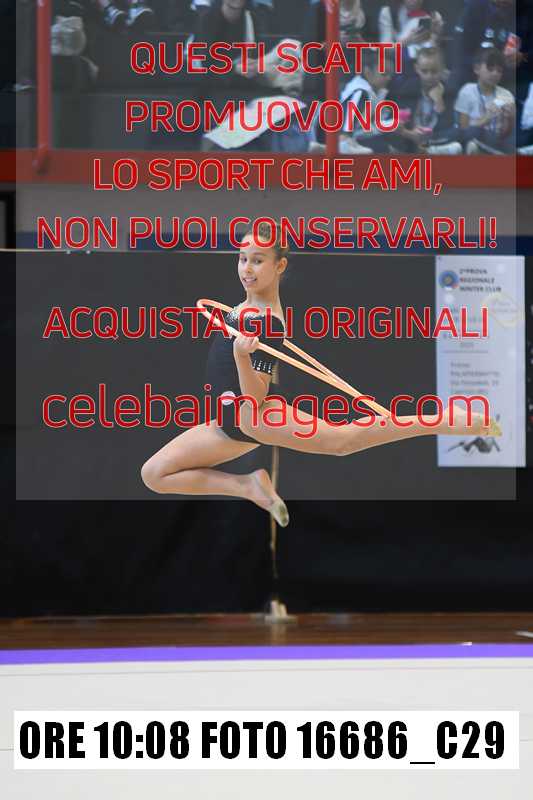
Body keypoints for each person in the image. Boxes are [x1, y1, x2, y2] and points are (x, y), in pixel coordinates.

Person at [141, 223, 501, 524]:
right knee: (155, 474)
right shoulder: (245, 307)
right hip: (226, 420)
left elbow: (255, 396)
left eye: (258, 260)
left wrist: (240, 355)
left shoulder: (267, 322)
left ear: (279, 266)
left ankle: (444, 419)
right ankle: (248, 486)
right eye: (243, 258)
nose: (247, 268)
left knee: (342, 441)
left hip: (253, 416)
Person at [394, 46, 463, 154]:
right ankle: (434, 151)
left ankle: (431, 150)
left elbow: (447, 125)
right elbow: (399, 121)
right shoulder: (407, 88)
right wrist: (410, 133)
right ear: (416, 68)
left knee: (456, 132)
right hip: (412, 138)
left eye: (434, 71)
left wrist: (439, 101)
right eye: (424, 71)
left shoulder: (449, 91)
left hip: (435, 137)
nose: (429, 76)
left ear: (442, 69)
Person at [455, 46, 516, 154]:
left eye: (499, 71)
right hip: (471, 138)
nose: (495, 74)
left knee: (508, 143)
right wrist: (486, 119)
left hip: (495, 142)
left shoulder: (506, 95)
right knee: (471, 134)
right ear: (476, 69)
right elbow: (463, 128)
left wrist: (509, 119)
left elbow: (505, 135)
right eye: (490, 69)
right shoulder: (467, 91)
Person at [338, 47, 394, 154]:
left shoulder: (377, 92)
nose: (388, 78)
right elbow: (344, 136)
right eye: (384, 73)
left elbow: (367, 126)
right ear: (368, 72)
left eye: (391, 75)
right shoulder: (360, 93)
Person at [377, 0, 444, 62]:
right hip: (396, 62)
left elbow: (435, 49)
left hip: (423, 62)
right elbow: (385, 49)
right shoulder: (388, 12)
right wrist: (407, 41)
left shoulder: (431, 15)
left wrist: (437, 34)